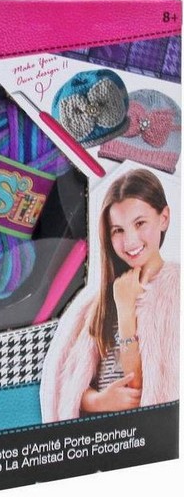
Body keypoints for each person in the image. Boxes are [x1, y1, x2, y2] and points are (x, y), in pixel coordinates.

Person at [40, 169, 179, 423]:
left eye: (140, 223)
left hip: (139, 436)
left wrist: (126, 311)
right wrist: (97, 400)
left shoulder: (175, 292)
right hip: (97, 436)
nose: (130, 240)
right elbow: (65, 385)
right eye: (118, 230)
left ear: (164, 218)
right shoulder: (95, 302)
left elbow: (140, 390)